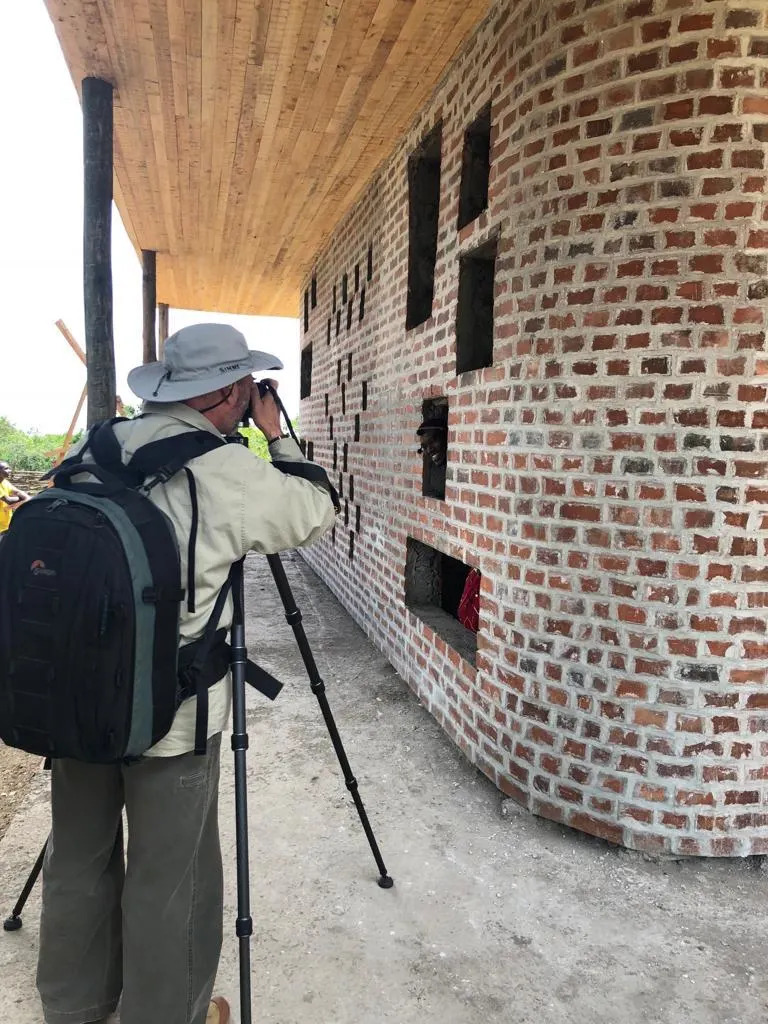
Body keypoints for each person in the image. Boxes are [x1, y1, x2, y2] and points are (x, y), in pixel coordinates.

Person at [35, 324, 337, 1024]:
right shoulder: (224, 469)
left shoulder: (96, 444)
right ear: (232, 389)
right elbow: (314, 513)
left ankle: (73, 1011)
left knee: (78, 862)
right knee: (170, 883)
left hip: (76, 703)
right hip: (172, 717)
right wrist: (278, 435)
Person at [0, 460, 29, 535]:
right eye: (6, 468)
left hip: (5, 524)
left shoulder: (4, 482)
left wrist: (25, 497)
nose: (10, 470)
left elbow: (17, 492)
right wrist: (24, 499)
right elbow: (8, 500)